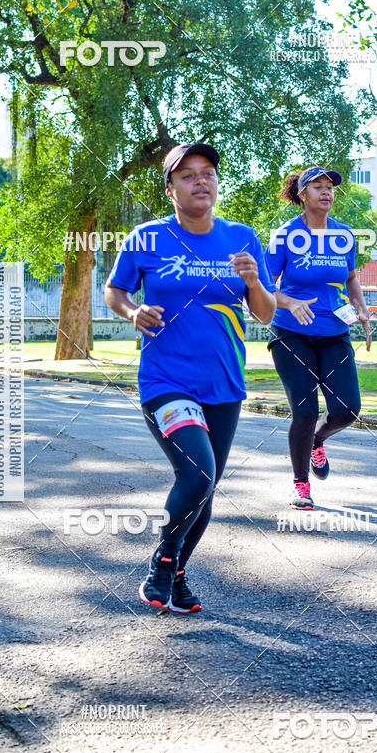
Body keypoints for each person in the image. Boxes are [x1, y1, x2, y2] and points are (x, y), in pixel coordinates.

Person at [104, 143, 276, 612]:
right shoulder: (147, 238)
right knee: (198, 473)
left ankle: (177, 574)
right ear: (170, 189)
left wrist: (254, 282)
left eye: (208, 173)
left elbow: (264, 314)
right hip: (165, 380)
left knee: (206, 486)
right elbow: (115, 290)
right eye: (187, 175)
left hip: (224, 383)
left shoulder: (242, 237)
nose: (201, 181)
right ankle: (163, 562)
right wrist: (132, 311)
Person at [265, 166, 372, 510]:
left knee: (347, 409)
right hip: (290, 332)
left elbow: (350, 277)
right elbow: (264, 286)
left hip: (334, 331)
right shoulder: (285, 235)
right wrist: (290, 302)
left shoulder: (344, 235)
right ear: (302, 195)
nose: (326, 192)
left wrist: (361, 309)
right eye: (318, 186)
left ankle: (317, 441)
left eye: (330, 187)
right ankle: (301, 485)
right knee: (305, 410)